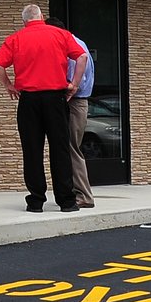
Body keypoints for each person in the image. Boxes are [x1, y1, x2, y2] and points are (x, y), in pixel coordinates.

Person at [0, 4, 87, 213]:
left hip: (29, 100)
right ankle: (66, 201)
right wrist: (75, 84)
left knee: (32, 150)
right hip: (55, 98)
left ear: (24, 21)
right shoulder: (61, 34)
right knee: (60, 149)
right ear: (42, 16)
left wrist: (9, 85)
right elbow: (82, 57)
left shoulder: (15, 39)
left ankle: (36, 201)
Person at [47, 19, 95, 210]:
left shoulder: (72, 47)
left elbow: (76, 81)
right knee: (69, 146)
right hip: (77, 102)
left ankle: (84, 195)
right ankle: (79, 193)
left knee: (71, 148)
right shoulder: (78, 42)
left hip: (75, 102)